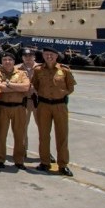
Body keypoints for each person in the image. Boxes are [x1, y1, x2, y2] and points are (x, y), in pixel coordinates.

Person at [32, 47, 76, 176]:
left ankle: (63, 165)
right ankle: (45, 162)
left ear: (56, 56)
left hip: (60, 106)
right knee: (43, 135)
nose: (49, 57)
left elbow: (71, 87)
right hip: (43, 105)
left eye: (51, 54)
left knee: (62, 136)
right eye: (46, 54)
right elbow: (35, 85)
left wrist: (62, 93)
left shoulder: (64, 70)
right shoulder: (38, 70)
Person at [0, 52, 30, 170]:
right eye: (4, 59)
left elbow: (26, 87)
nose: (7, 62)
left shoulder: (22, 73)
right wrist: (16, 87)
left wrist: (8, 84)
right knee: (0, 135)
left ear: (14, 61)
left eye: (10, 59)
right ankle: (0, 159)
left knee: (20, 135)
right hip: (2, 107)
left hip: (19, 107)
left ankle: (19, 160)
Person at [17, 47, 38, 159]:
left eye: (30, 56)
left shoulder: (41, 68)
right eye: (26, 56)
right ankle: (23, 150)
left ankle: (45, 151)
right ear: (22, 57)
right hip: (24, 100)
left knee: (43, 128)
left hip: (37, 101)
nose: (28, 58)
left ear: (34, 57)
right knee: (22, 127)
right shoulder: (18, 69)